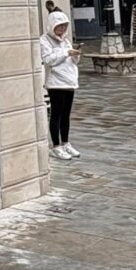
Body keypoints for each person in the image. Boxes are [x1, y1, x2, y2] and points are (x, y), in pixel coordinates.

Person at [40, 10, 81, 160]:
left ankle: (65, 142)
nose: (62, 29)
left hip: (69, 82)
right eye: (60, 26)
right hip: (56, 83)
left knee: (66, 115)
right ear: (52, 26)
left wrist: (75, 54)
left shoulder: (65, 41)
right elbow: (48, 59)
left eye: (65, 26)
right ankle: (56, 146)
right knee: (56, 115)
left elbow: (73, 62)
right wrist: (66, 53)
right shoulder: (44, 40)